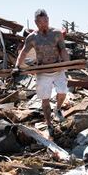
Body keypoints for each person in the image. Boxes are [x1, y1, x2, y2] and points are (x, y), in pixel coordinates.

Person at [13, 9, 70, 137]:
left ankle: (58, 109)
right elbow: (23, 53)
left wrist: (67, 63)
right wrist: (17, 66)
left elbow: (63, 49)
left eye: (46, 21)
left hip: (58, 69)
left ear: (48, 19)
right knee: (45, 100)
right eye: (41, 22)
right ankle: (49, 124)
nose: (44, 24)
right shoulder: (32, 37)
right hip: (42, 71)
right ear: (36, 22)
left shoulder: (56, 33)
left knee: (62, 93)